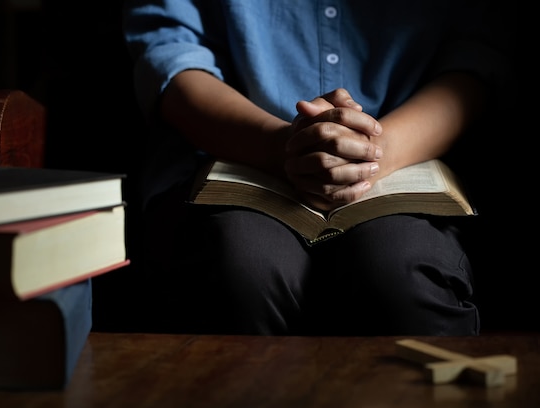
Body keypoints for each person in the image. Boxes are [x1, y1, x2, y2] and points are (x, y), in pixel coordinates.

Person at [122, 1, 508, 336]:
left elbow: (477, 55)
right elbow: (170, 55)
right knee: (242, 267)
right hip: (233, 153)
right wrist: (279, 146)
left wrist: (377, 149)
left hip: (408, 155)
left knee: (402, 273)